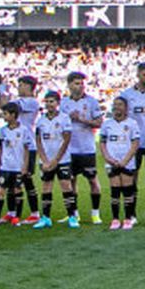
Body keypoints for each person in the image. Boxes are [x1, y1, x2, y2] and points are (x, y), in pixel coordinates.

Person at [61, 71, 104, 225]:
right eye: (77, 83)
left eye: (82, 83)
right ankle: (74, 214)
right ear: (69, 85)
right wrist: (68, 118)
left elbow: (99, 122)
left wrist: (81, 119)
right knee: (70, 181)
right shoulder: (63, 103)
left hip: (86, 149)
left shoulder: (91, 102)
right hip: (69, 149)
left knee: (93, 181)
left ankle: (95, 213)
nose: (80, 86)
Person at [99, 95, 140, 230]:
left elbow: (135, 143)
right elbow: (102, 143)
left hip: (127, 162)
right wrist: (108, 158)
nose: (117, 107)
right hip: (112, 162)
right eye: (115, 104)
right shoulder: (107, 124)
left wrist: (125, 160)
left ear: (126, 108)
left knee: (127, 190)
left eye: (120, 104)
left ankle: (128, 218)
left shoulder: (132, 123)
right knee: (115, 190)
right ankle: (115, 219)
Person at [32, 90, 71, 229]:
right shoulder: (41, 120)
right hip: (46, 161)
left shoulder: (64, 118)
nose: (49, 104)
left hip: (62, 159)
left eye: (52, 101)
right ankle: (46, 218)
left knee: (66, 186)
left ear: (58, 103)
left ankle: (72, 216)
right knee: (46, 187)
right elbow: (38, 141)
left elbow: (66, 140)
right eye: (47, 101)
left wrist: (56, 160)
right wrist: (44, 159)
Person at [0, 102, 32, 225]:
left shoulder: (23, 130)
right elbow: (0, 149)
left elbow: (27, 150)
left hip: (18, 166)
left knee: (17, 189)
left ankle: (17, 216)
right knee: (3, 190)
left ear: (13, 115)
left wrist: (25, 166)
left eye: (5, 114)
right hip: (6, 166)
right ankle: (6, 214)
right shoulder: (3, 130)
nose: (3, 116)